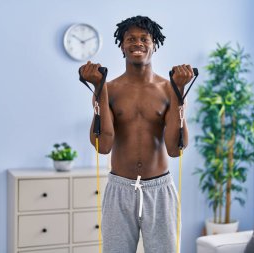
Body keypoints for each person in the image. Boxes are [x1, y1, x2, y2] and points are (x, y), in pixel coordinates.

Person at [79, 15, 194, 253]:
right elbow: (104, 146)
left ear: (154, 44)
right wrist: (98, 89)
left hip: (160, 190)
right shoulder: (109, 90)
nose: (137, 42)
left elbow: (175, 149)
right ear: (122, 45)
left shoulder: (168, 89)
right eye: (130, 38)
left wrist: (179, 92)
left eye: (144, 38)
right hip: (119, 190)